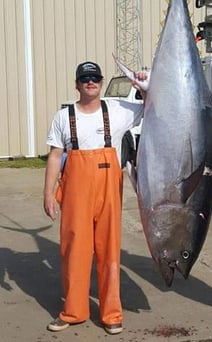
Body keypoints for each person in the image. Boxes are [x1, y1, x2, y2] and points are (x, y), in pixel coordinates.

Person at [43, 61, 147, 335]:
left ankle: (111, 314)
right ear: (77, 84)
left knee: (109, 253)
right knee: (74, 251)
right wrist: (48, 194)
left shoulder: (118, 110)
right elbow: (55, 156)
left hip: (108, 192)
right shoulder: (64, 117)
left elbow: (152, 106)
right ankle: (74, 311)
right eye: (85, 79)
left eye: (95, 78)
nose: (91, 82)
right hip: (75, 194)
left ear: (101, 83)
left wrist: (143, 85)